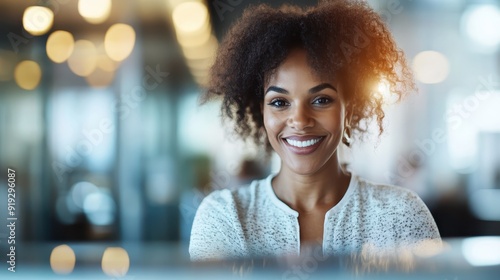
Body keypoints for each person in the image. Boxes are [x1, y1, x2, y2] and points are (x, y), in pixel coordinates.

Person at [189, 0, 441, 261]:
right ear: (260, 110)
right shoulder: (225, 215)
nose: (299, 120)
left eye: (321, 100)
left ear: (350, 107)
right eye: (279, 102)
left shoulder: (401, 214)